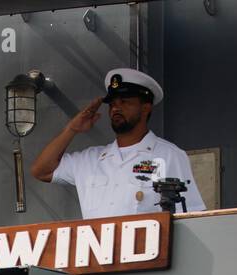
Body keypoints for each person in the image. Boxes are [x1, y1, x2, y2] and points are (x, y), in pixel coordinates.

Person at [30, 68, 206, 218]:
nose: (116, 108)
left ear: (146, 108)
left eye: (124, 102)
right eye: (112, 104)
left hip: (147, 257)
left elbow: (191, 216)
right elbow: (41, 171)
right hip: (97, 257)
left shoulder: (169, 156)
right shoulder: (90, 160)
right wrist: (71, 129)